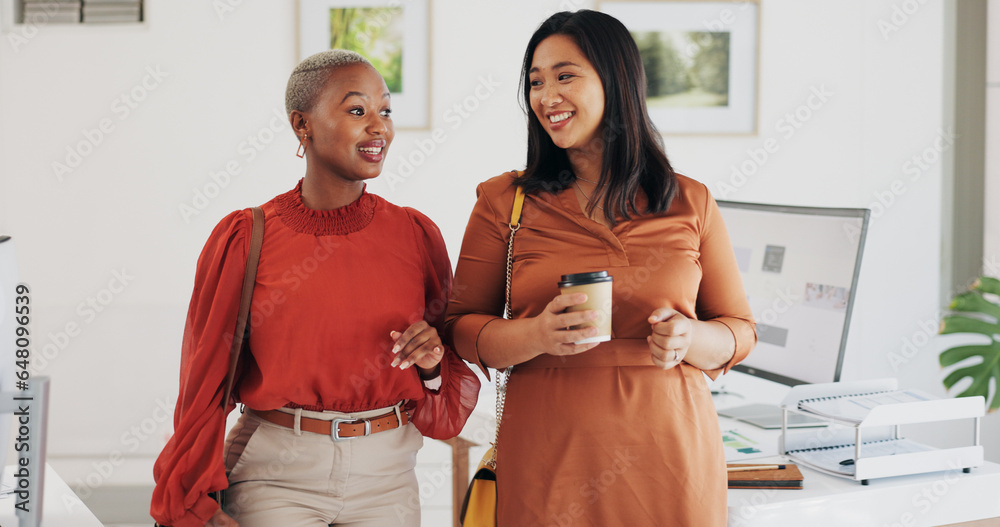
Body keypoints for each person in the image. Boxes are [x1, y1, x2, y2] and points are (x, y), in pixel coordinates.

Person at [443, 10, 756, 526]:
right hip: (548, 458)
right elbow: (461, 329)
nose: (546, 97)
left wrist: (690, 338)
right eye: (536, 82)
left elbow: (739, 331)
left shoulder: (689, 201)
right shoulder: (506, 201)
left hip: (671, 458)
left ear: (617, 80)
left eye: (565, 76)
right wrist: (538, 334)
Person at [151, 50, 480, 527]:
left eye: (385, 110)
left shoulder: (414, 235)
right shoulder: (247, 237)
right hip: (275, 477)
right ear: (302, 126)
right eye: (356, 110)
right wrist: (189, 499)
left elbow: (442, 398)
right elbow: (204, 383)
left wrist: (430, 366)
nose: (378, 127)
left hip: (387, 478)